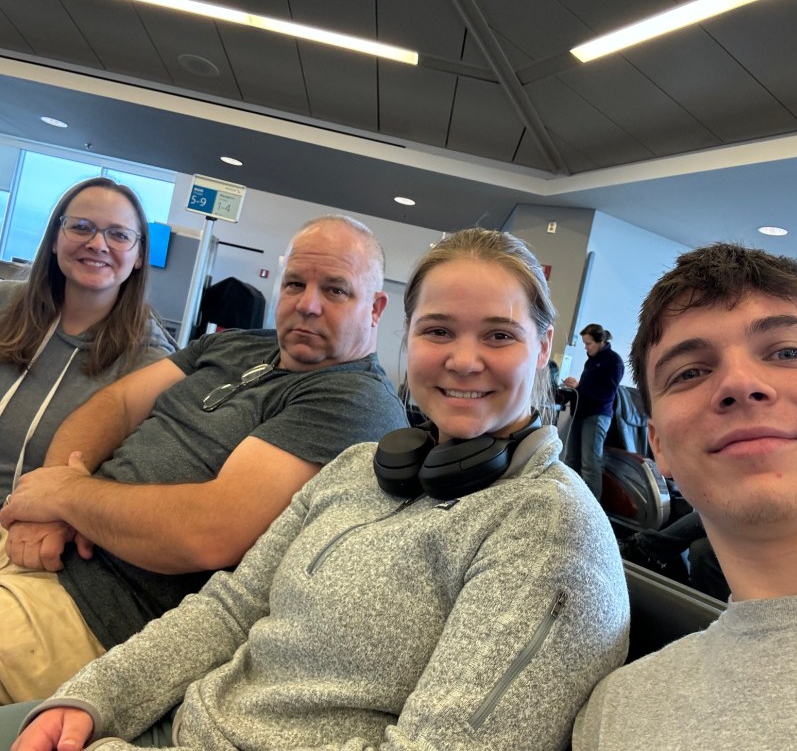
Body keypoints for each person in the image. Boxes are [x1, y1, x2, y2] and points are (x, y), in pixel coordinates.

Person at [0, 227, 629, 751]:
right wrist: (97, 698)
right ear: (407, 340)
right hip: (171, 724)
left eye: (498, 334)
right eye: (438, 331)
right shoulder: (361, 467)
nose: (463, 360)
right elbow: (228, 610)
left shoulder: (547, 528)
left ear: (544, 346)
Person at [0, 215, 407, 704]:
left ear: (376, 307)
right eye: (295, 283)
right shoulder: (236, 344)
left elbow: (208, 532)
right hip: (38, 543)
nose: (308, 305)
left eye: (336, 291)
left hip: (95, 614)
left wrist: (65, 497)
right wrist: (43, 509)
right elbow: (117, 405)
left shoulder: (353, 399)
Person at [573, 243, 797, 749]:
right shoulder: (618, 714)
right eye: (689, 372)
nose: (738, 384)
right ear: (658, 446)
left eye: (787, 352)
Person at [0, 177, 176, 496]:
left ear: (139, 256)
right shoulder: (4, 304)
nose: (97, 244)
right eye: (81, 227)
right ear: (55, 239)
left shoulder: (150, 364)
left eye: (119, 235)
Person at [563, 324, 624, 498]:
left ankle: (591, 510)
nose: (586, 348)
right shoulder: (591, 360)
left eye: (588, 344)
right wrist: (573, 389)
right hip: (581, 413)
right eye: (584, 344)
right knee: (571, 459)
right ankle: (569, 499)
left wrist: (579, 387)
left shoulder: (613, 361)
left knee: (590, 464)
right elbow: (587, 388)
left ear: (601, 341)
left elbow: (605, 394)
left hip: (597, 415)